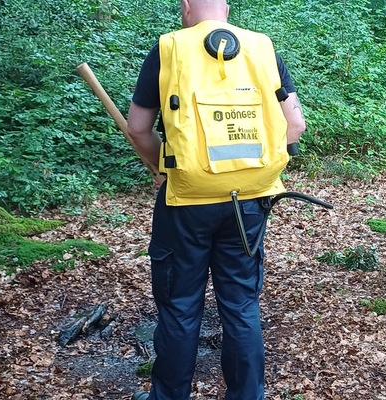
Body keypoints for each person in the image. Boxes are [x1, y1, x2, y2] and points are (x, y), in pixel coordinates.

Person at [126, 0, 306, 398]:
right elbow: (294, 125)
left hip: (186, 203)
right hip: (251, 202)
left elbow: (138, 129)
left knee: (180, 307)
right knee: (241, 304)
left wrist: (165, 167)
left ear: (186, 6)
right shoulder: (262, 47)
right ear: (226, 6)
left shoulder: (169, 47)